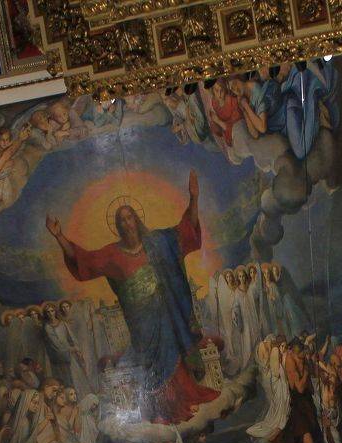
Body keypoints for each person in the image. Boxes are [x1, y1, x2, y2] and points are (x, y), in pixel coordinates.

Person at [46, 171, 219, 424]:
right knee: (152, 365)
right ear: (117, 226)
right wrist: (59, 236)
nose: (127, 223)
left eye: (129, 217)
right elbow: (84, 261)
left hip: (166, 315)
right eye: (121, 220)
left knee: (172, 354)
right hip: (142, 325)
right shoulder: (112, 255)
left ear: (136, 220)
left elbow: (186, 232)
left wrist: (194, 198)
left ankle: (184, 400)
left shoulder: (159, 241)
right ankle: (161, 410)